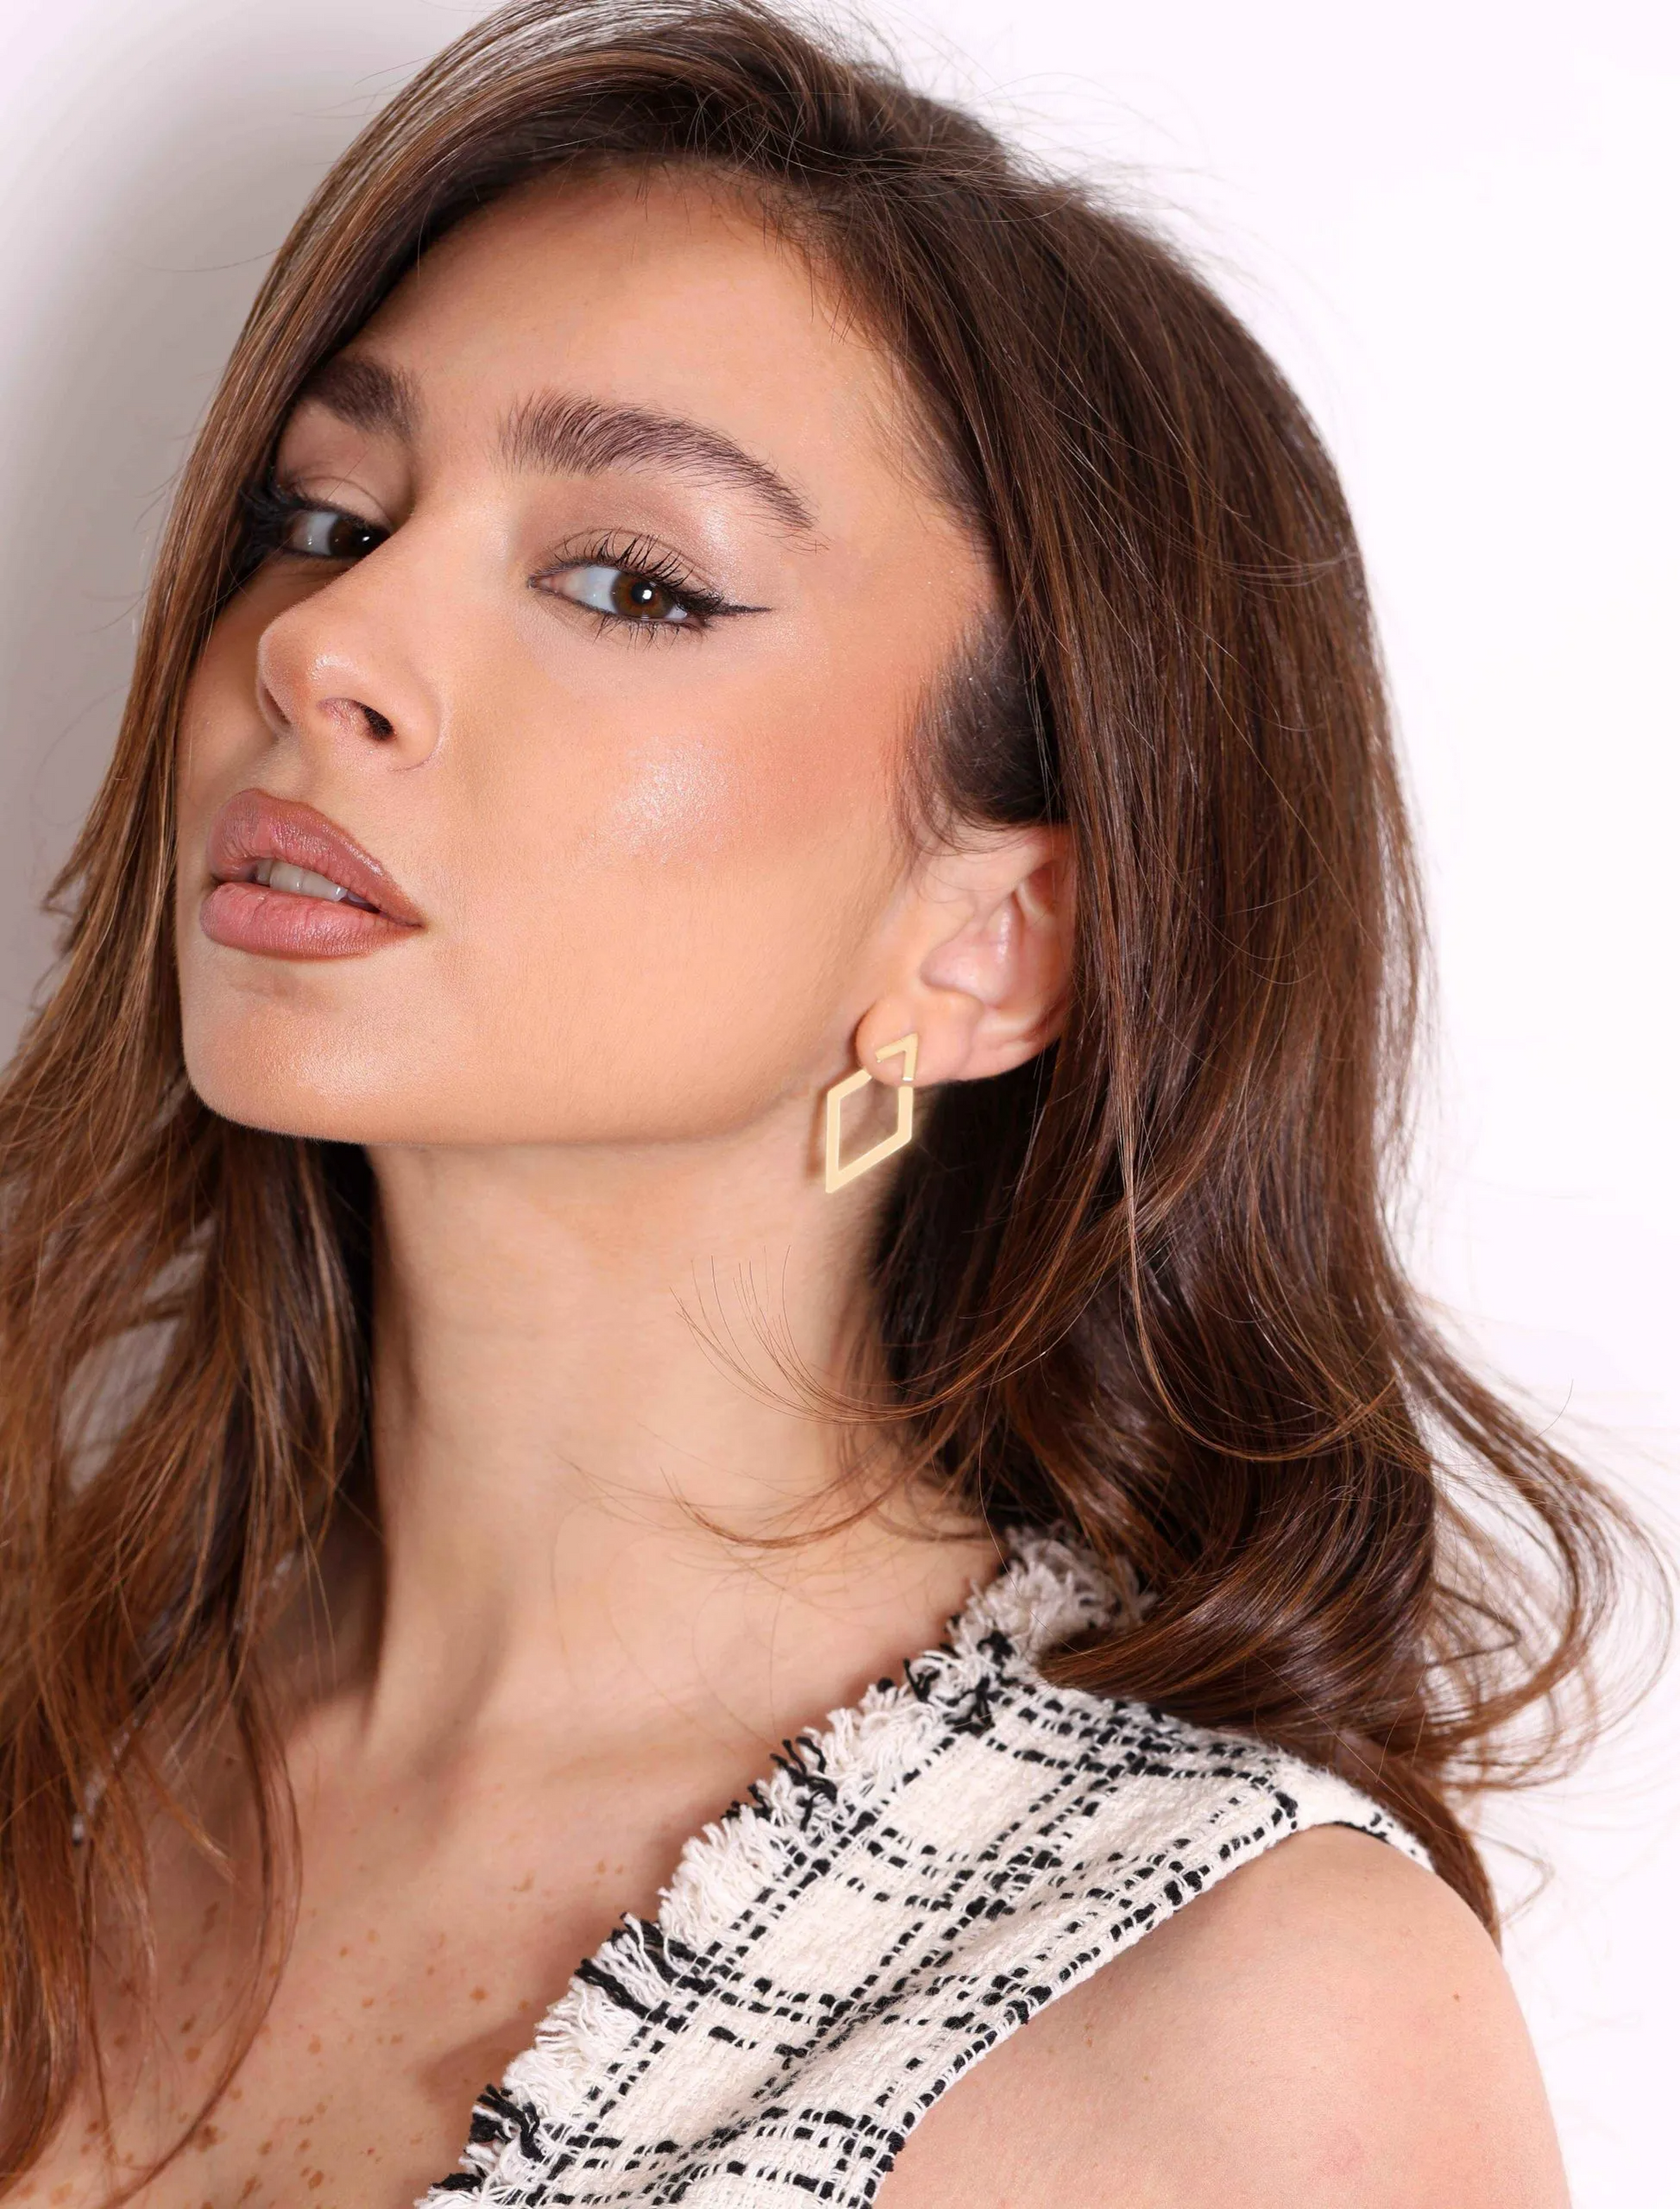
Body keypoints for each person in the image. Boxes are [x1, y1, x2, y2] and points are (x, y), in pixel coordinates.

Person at [0, 2, 1648, 2201]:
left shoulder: (1219, 2011)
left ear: (992, 942)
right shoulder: (49, 1730)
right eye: (324, 514)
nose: (318, 648)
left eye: (632, 581)